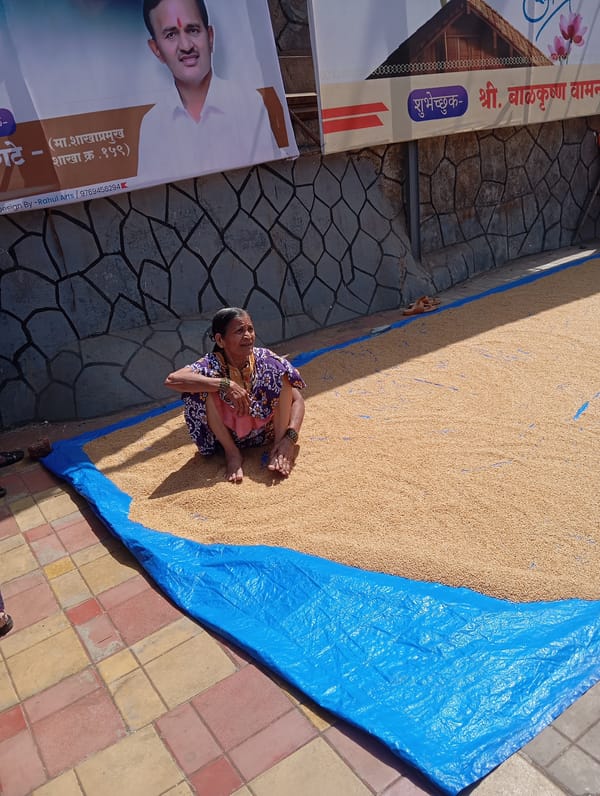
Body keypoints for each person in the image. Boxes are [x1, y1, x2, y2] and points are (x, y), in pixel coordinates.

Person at [138, 0, 289, 183]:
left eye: (193, 30)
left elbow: (268, 180)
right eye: (171, 35)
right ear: (156, 50)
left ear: (210, 37)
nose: (186, 46)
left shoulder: (249, 102)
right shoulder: (152, 125)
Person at [164, 308, 305, 483]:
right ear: (220, 340)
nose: (248, 336)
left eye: (250, 329)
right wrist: (224, 384)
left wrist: (289, 439)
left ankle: (278, 448)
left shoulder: (266, 359)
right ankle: (233, 454)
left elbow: (297, 400)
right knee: (199, 387)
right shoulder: (212, 364)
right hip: (226, 441)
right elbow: (172, 380)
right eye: (239, 331)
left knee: (280, 369)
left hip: (266, 435)